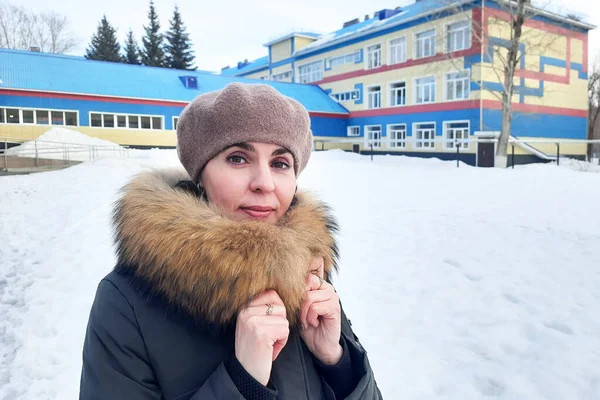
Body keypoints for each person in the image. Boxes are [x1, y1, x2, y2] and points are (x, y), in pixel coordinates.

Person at [79, 82, 382, 399]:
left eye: (280, 164)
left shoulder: (308, 271)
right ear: (200, 176)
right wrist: (243, 383)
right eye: (238, 158)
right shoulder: (126, 302)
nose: (264, 183)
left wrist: (338, 362)